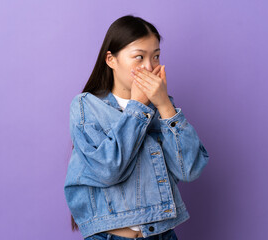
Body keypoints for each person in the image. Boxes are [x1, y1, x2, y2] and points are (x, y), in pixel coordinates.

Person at [64, 15, 210, 240]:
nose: (149, 67)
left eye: (156, 56)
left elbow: (190, 170)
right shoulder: (86, 105)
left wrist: (164, 105)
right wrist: (139, 106)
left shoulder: (163, 108)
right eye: (139, 57)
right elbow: (107, 170)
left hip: (163, 234)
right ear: (111, 60)